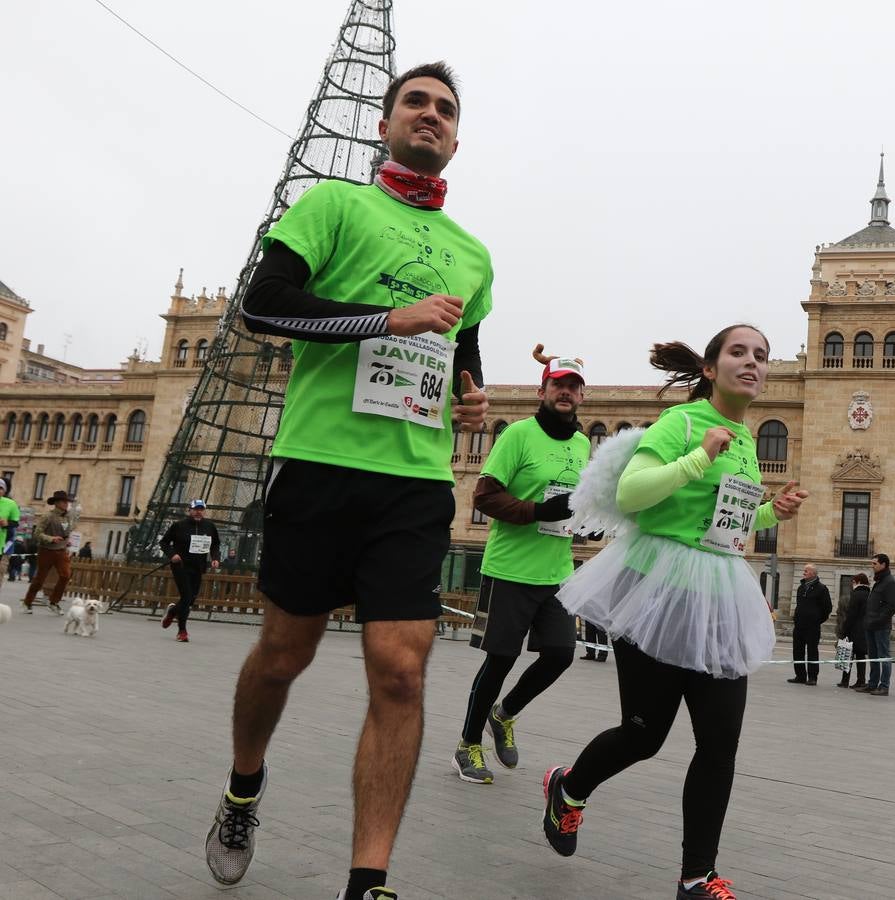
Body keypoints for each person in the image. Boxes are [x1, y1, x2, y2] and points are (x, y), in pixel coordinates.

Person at [204, 63, 492, 900]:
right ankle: (243, 783)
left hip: (412, 482)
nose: (430, 116)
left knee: (402, 668)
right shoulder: (332, 206)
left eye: (444, 110)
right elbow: (264, 306)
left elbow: (460, 346)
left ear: (456, 138)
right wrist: (383, 318)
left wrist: (469, 395)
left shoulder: (474, 255)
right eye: (416, 102)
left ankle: (369, 880)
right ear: (383, 123)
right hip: (321, 467)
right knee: (282, 654)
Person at [541, 325, 808, 899]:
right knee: (643, 735)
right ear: (710, 369)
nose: (753, 363)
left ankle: (697, 877)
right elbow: (633, 496)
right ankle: (568, 787)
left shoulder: (745, 441)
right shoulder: (681, 425)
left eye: (762, 356)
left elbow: (722, 526)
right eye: (739, 352)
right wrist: (694, 458)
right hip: (656, 587)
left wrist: (770, 514)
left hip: (717, 595)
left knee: (719, 744)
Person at [453, 353, 590, 785]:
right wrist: (536, 511)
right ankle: (467, 745)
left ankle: (504, 713)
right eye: (557, 385)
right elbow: (484, 497)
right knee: (499, 660)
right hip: (510, 570)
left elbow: (573, 505)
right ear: (543, 391)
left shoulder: (584, 444)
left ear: (581, 394)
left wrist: (582, 523)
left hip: (557, 572)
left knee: (561, 655)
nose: (565, 392)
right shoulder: (518, 436)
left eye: (573, 386)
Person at [158, 500, 222, 642]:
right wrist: (172, 554)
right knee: (186, 597)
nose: (198, 512)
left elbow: (215, 544)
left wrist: (215, 557)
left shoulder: (209, 526)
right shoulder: (179, 526)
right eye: (196, 509)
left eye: (201, 509)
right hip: (181, 566)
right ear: (189, 510)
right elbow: (164, 542)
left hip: (198, 567)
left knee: (191, 599)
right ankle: (182, 631)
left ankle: (173, 611)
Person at [22, 490, 73, 614]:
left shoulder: (67, 517)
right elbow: (37, 533)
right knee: (40, 579)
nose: (66, 504)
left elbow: (65, 533)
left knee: (65, 576)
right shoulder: (47, 516)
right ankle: (27, 602)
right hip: (46, 551)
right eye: (63, 501)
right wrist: (51, 538)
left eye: (67, 501)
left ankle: (54, 602)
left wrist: (67, 541)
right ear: (56, 503)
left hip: (61, 551)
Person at [857, 554, 895, 696]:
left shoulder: (890, 582)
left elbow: (892, 606)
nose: (872, 566)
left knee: (883, 656)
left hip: (881, 626)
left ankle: (884, 686)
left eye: (875, 564)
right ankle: (872, 683)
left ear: (883, 565)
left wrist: (879, 620)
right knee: (873, 656)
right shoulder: (879, 581)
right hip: (870, 625)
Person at [786, 564, 832, 686]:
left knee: (812, 651)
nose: (804, 572)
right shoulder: (801, 588)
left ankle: (812, 677)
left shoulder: (822, 589)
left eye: (806, 571)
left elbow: (827, 608)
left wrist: (817, 620)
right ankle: (800, 675)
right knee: (797, 650)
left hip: (812, 626)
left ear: (813, 573)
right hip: (799, 625)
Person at [836, 573, 869, 689]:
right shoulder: (869, 594)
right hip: (864, 630)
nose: (852, 584)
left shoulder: (855, 595)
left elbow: (851, 615)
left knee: (848, 655)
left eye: (853, 582)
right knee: (860, 656)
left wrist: (844, 630)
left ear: (857, 582)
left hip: (854, 629)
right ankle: (861, 680)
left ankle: (845, 681)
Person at [0, 478, 20, 574]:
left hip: (4, 545)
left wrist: (6, 524)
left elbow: (15, 523)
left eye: (1, 488)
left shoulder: (11, 504)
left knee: (1, 570)